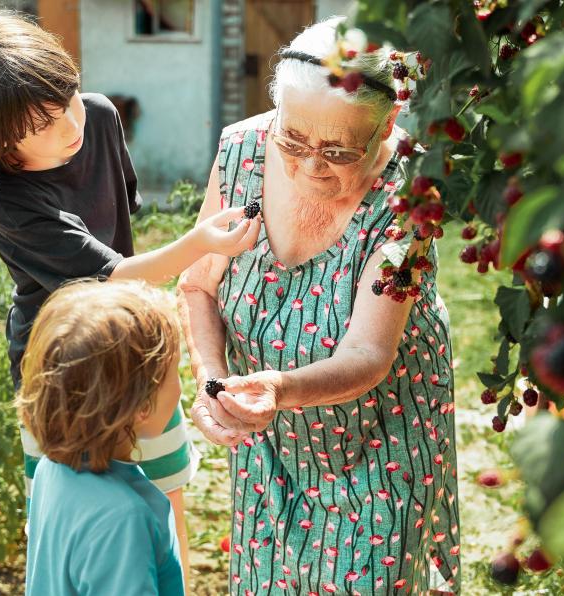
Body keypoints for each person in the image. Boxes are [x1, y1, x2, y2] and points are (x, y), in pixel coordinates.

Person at [0, 12, 261, 589]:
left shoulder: (101, 117)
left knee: (163, 491)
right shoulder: (4, 199)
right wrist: (200, 243)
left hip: (131, 345)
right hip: (62, 367)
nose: (67, 125)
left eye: (66, 99)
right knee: (65, 500)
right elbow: (110, 275)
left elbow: (123, 227)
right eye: (40, 123)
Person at [177, 17, 460, 595]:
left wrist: (280, 390)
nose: (309, 165)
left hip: (382, 433)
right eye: (293, 139)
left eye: (337, 150)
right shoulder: (240, 152)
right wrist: (211, 382)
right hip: (271, 440)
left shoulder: (411, 189)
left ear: (387, 130)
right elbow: (199, 284)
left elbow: (369, 351)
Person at [15, 280, 186, 595]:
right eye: (175, 372)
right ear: (141, 405)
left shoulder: (51, 470)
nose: (180, 387)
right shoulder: (123, 519)